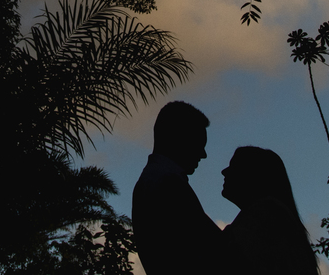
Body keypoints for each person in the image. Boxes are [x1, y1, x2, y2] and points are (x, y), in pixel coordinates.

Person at [132, 101, 224, 275]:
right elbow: (210, 247)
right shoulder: (167, 184)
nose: (203, 154)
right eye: (198, 143)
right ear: (179, 138)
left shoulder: (154, 181)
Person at [220, 146, 319, 275]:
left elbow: (230, 256)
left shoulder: (265, 214)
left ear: (253, 175)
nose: (224, 172)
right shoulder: (272, 215)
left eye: (234, 166)